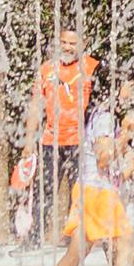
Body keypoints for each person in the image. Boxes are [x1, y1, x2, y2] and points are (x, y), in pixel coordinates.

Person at [36, 85, 134, 266]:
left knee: (75, 254)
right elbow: (104, 159)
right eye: (128, 85)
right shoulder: (104, 118)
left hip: (90, 191)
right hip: (99, 194)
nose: (132, 90)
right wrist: (127, 132)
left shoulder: (103, 117)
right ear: (116, 87)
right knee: (126, 251)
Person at [29, 22, 97, 245]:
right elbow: (34, 105)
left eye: (72, 43)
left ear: (83, 44)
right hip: (51, 140)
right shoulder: (46, 69)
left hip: (81, 141)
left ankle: (74, 237)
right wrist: (29, 140)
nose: (67, 47)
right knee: (44, 190)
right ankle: (33, 237)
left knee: (78, 191)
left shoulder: (92, 67)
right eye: (63, 42)